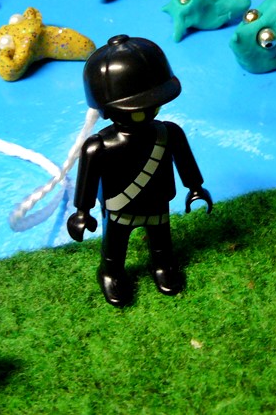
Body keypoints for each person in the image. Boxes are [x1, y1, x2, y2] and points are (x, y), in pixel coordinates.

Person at [67, 35, 212, 307]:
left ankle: (163, 266)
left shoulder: (168, 133)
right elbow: (88, 178)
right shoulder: (99, 146)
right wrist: (82, 212)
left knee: (161, 241)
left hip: (157, 202)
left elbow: (185, 161)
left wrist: (195, 187)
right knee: (115, 246)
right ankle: (110, 272)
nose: (146, 110)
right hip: (119, 207)